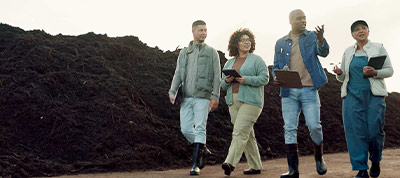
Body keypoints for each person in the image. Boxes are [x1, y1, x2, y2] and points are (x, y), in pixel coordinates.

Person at [332, 20, 393, 178]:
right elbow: (344, 77)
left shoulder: (378, 47)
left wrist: (375, 72)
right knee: (355, 133)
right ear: (352, 35)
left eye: (363, 28)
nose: (361, 31)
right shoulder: (347, 52)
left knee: (374, 131)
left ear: (368, 31)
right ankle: (361, 169)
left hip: (374, 95)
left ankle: (375, 159)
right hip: (352, 96)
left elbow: (389, 70)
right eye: (357, 29)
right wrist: (339, 72)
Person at [272, 9, 329, 178]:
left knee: (314, 125)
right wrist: (276, 77)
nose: (303, 21)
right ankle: (293, 169)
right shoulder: (280, 42)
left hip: (309, 90)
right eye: (299, 18)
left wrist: (321, 39)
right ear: (291, 21)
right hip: (288, 91)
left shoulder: (311, 37)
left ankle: (319, 158)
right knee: (289, 128)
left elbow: (324, 52)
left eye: (305, 18)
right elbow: (275, 64)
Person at [168, 20, 221, 176]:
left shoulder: (212, 52)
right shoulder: (184, 53)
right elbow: (178, 73)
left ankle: (195, 165)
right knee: (185, 129)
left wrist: (215, 96)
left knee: (200, 128)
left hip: (203, 97)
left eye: (205, 30)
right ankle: (203, 149)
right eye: (200, 30)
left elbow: (217, 76)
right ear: (193, 31)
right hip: (186, 97)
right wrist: (172, 91)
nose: (204, 33)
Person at [220, 28, 269, 176]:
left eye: (249, 40)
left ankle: (230, 163)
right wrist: (227, 80)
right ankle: (255, 166)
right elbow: (222, 84)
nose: (247, 42)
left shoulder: (257, 60)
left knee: (240, 131)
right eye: (243, 40)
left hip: (252, 102)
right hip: (233, 101)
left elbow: (265, 78)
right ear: (236, 43)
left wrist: (246, 79)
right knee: (247, 135)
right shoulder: (229, 62)